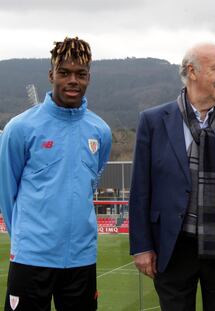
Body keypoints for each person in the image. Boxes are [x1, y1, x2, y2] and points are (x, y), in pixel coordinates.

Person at [129, 43, 215, 311]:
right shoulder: (153, 121)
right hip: (173, 246)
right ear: (192, 71)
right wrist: (142, 247)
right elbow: (140, 190)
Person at [0, 37, 112, 311]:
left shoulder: (100, 131)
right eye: (64, 72)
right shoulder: (20, 128)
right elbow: (6, 191)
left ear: (89, 77)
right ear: (51, 75)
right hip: (31, 258)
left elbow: (90, 182)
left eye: (80, 74)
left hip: (81, 260)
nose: (72, 80)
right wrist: (25, 242)